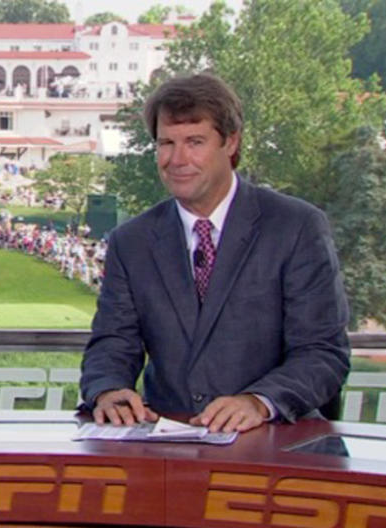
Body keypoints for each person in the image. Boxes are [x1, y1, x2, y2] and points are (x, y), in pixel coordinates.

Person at [80, 74, 350, 432]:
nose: (177, 159)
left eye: (194, 142)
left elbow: (322, 353)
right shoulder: (133, 241)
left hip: (274, 445)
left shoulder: (296, 227)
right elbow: (114, 341)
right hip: (167, 445)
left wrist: (259, 402)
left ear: (231, 142)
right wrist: (109, 389)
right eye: (166, 143)